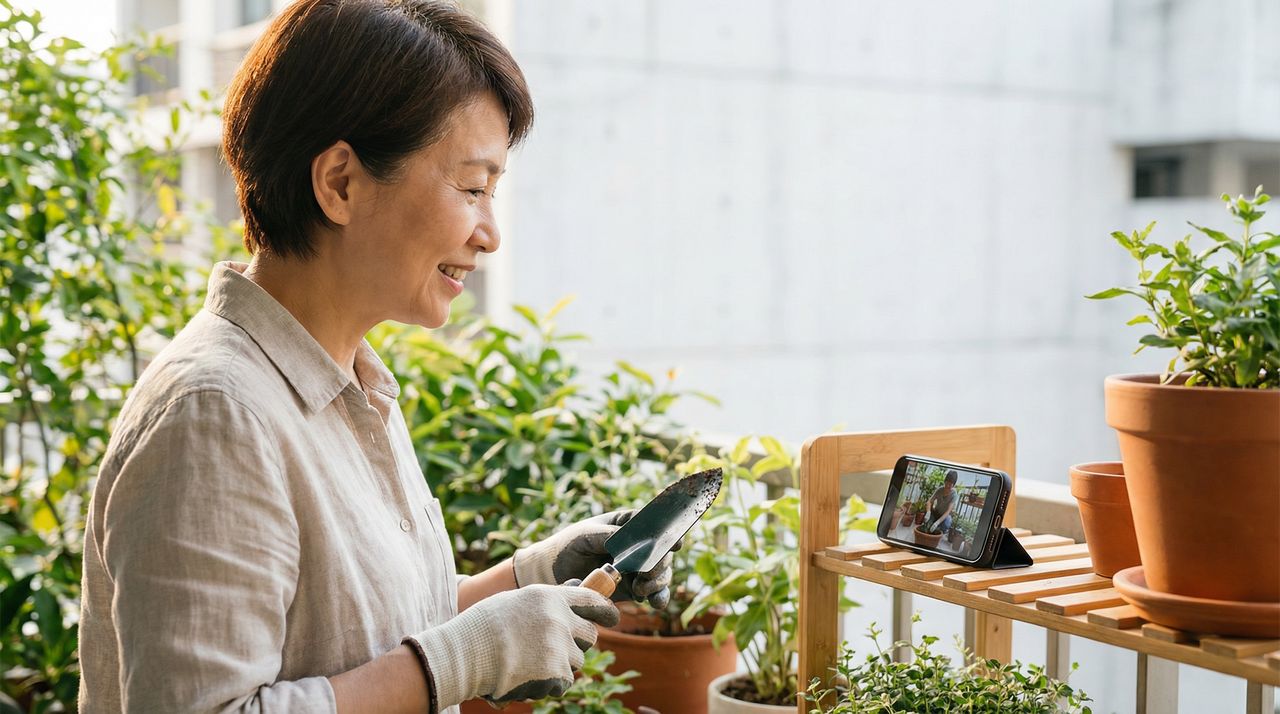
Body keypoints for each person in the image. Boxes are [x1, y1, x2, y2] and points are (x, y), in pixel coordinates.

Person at [76, 2, 675, 712]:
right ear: (340, 183)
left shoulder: (351, 383)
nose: (490, 234)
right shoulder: (216, 414)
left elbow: (359, 629)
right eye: (474, 188)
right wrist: (457, 662)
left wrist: (526, 576)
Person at [924, 470, 960, 535]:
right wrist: (928, 512)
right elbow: (929, 501)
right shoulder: (939, 490)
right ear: (945, 481)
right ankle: (932, 527)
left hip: (944, 516)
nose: (948, 485)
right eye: (947, 482)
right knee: (927, 521)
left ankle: (939, 531)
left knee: (947, 523)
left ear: (953, 485)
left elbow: (948, 511)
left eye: (950, 484)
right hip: (936, 512)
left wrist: (937, 523)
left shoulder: (954, 494)